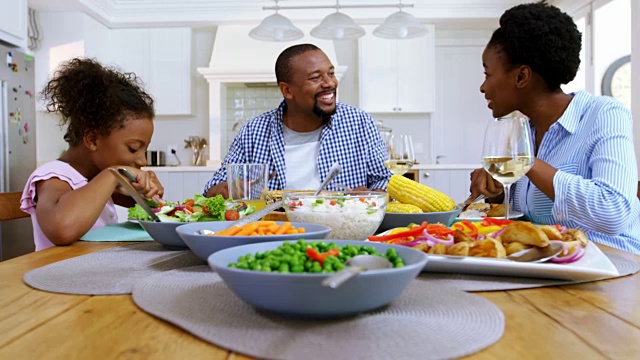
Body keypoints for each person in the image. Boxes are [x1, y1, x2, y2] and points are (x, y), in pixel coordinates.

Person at [467, 1, 640, 253]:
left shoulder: (604, 113)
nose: (483, 87)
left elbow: (613, 212)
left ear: (521, 77)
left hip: (613, 269)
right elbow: (530, 215)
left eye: (487, 74)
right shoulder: (522, 130)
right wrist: (498, 193)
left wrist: (527, 163)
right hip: (549, 265)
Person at [204, 43, 392, 198]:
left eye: (331, 73)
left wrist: (371, 195)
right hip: (274, 232)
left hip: (341, 232)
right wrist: (226, 190)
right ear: (287, 90)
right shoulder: (253, 131)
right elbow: (212, 190)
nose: (330, 83)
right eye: (316, 77)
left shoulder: (359, 123)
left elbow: (385, 180)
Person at [20, 58, 164, 251]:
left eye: (144, 150)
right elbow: (62, 228)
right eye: (133, 148)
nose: (142, 160)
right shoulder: (54, 176)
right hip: (56, 278)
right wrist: (113, 173)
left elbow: (138, 205)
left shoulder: (94, 178)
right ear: (93, 140)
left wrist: (147, 193)